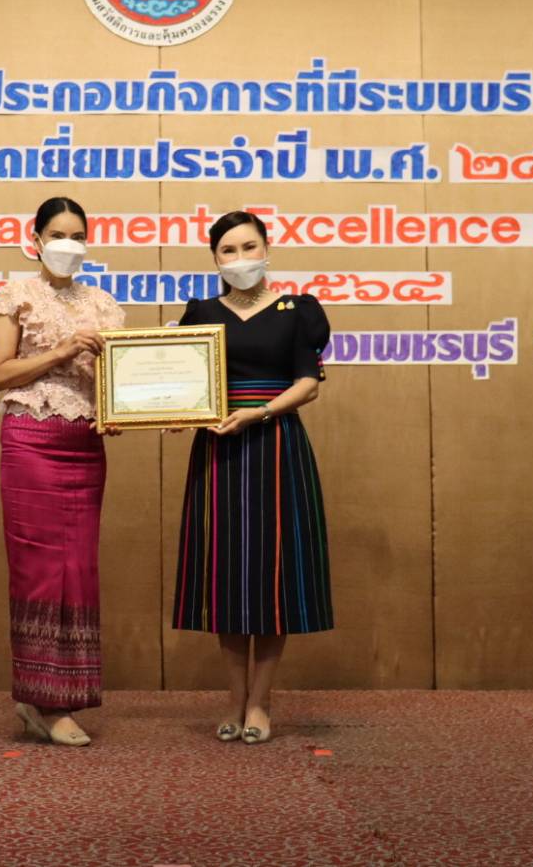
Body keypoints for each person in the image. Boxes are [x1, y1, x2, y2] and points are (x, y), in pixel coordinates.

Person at [171, 211, 333, 744]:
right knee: (225, 578)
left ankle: (261, 703)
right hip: (218, 448)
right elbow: (181, 381)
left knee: (273, 578)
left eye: (249, 247)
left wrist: (258, 413)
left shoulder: (297, 310)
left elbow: (308, 384)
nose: (240, 259)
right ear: (214, 259)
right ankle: (234, 701)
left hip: (276, 444)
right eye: (228, 250)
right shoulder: (200, 313)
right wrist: (169, 412)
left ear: (267, 249)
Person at [0, 197, 125, 745]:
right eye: (58, 235)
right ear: (36, 239)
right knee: (41, 570)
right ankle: (42, 701)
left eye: (78, 236)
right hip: (32, 441)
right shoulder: (15, 296)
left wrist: (125, 411)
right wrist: (62, 350)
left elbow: (115, 381)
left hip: (85, 446)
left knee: (79, 569)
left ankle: (56, 698)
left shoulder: (103, 303)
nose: (69, 244)